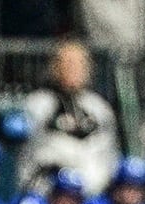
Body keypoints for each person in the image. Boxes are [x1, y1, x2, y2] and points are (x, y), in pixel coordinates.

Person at [19, 39, 121, 194]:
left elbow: (109, 155)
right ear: (54, 67)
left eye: (79, 64)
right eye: (67, 63)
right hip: (47, 196)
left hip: (90, 197)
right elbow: (32, 153)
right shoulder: (37, 104)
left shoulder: (100, 108)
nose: (73, 69)